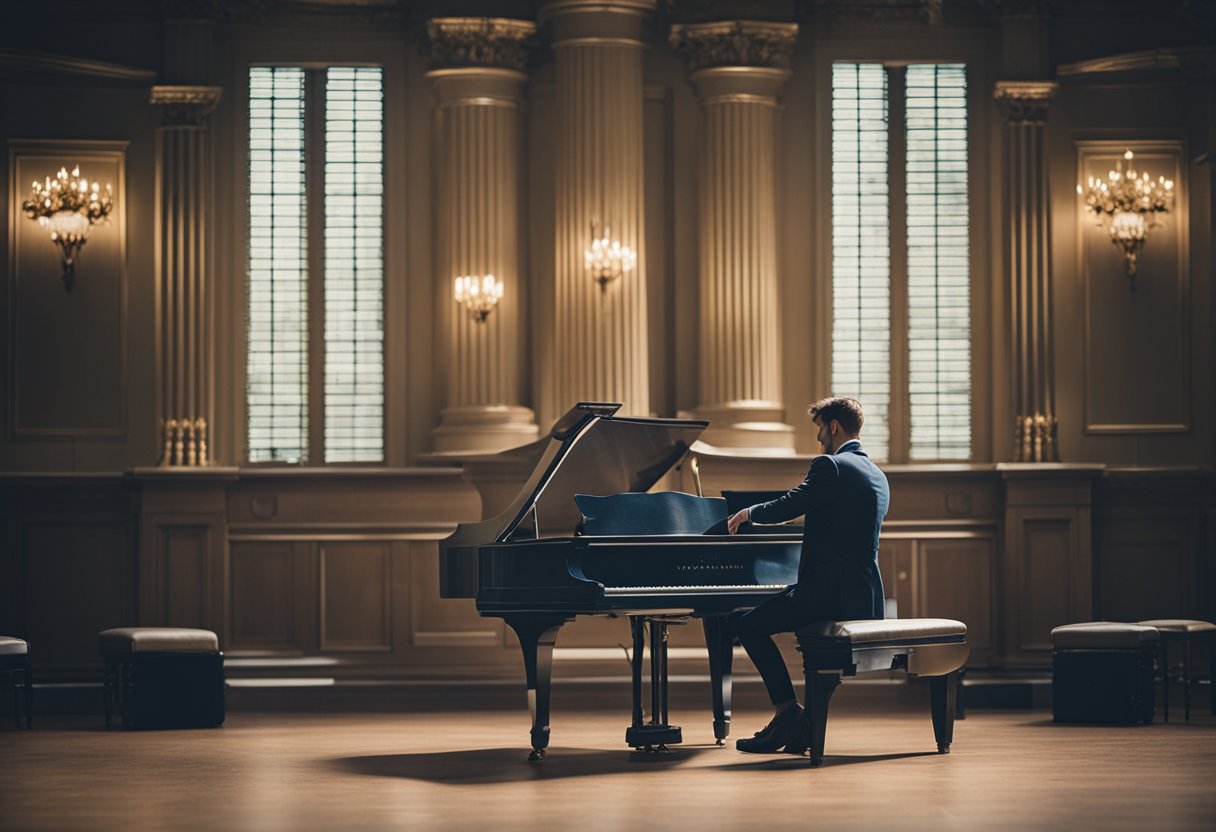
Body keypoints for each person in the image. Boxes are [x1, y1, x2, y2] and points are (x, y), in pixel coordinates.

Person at [725, 396, 890, 753]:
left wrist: (748, 513)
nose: (819, 439)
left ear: (833, 427)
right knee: (778, 624)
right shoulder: (877, 474)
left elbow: (791, 504)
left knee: (746, 624)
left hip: (829, 593)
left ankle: (788, 714)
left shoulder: (831, 465)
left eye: (820, 429)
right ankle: (804, 726)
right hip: (865, 597)